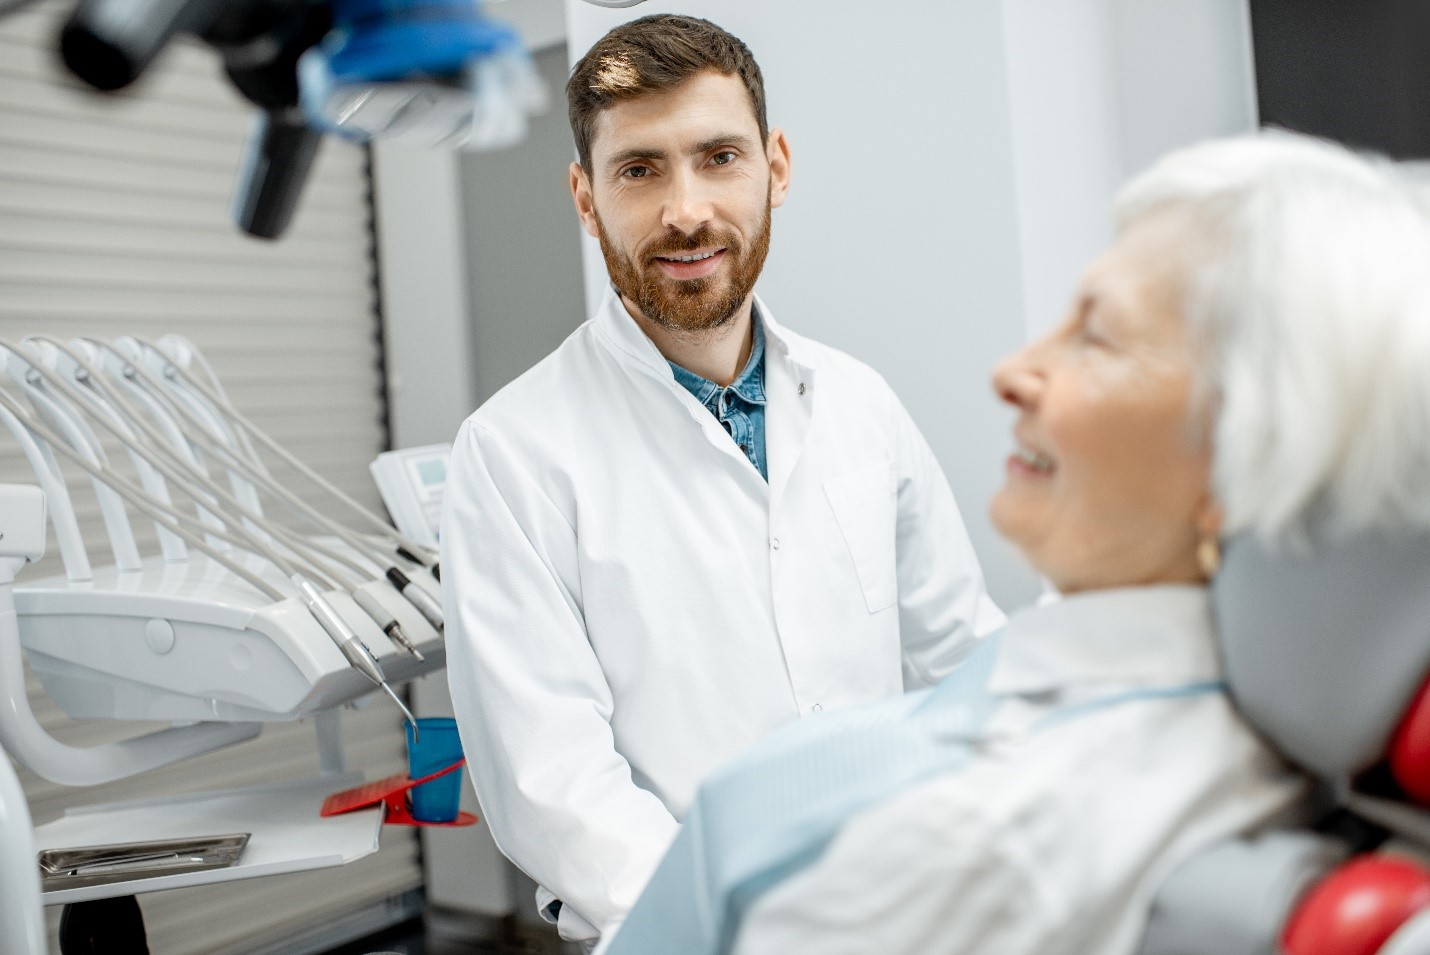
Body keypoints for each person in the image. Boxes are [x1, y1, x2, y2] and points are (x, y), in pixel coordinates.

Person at [597, 131, 1430, 955]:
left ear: (1246, 454)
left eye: (1095, 337)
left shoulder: (955, 834)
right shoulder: (1195, 732)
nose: (1014, 369)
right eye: (638, 167)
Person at [439, 14, 1004, 944]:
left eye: (719, 156)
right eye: (640, 169)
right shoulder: (512, 452)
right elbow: (555, 784)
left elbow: (962, 662)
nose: (686, 210)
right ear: (585, 198)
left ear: (775, 165)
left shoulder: (859, 403)